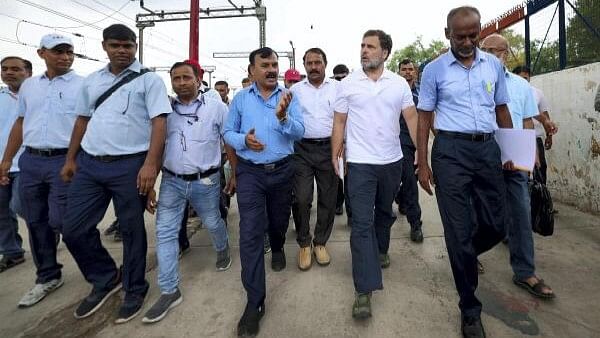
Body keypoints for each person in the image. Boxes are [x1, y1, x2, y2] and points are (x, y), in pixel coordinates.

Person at [60, 24, 171, 324]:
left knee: (132, 232)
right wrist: (71, 158)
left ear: (135, 47)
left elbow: (159, 123)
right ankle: (106, 277)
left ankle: (135, 288)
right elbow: (82, 120)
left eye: (128, 46)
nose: (122, 51)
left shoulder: (149, 80)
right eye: (115, 45)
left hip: (130, 165)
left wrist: (150, 165)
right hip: (90, 164)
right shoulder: (92, 81)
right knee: (73, 229)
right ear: (104, 47)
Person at [416, 7, 514, 338]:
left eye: (474, 35)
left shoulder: (494, 66)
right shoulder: (434, 70)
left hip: (487, 150)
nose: (469, 42)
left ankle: (464, 252)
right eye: (461, 37)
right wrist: (423, 162)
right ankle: (470, 309)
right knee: (457, 231)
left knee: (497, 224)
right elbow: (425, 116)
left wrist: (513, 151)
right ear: (448, 35)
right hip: (450, 153)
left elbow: (501, 109)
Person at [331, 30, 418, 319]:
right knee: (361, 223)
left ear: (385, 53)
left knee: (385, 212)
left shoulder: (398, 84)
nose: (364, 51)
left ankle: (381, 249)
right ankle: (363, 291)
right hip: (360, 163)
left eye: (370, 46)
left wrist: (422, 153)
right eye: (362, 46)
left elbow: (412, 117)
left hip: (392, 162)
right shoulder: (348, 84)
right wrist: (336, 153)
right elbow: (340, 120)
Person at [142, 61, 236, 323]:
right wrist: (151, 184)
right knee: (165, 233)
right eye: (176, 78)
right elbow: (157, 147)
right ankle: (169, 290)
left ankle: (223, 249)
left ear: (198, 79)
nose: (181, 82)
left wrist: (235, 173)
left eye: (186, 77)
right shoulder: (164, 111)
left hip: (205, 181)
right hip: (171, 181)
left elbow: (228, 141)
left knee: (213, 222)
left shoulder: (217, 108)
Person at [224, 47, 304, 337]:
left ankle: (279, 245)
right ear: (251, 71)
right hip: (251, 174)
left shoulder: (289, 97)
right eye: (265, 65)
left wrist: (283, 118)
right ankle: (254, 302)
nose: (272, 69)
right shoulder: (241, 99)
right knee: (250, 234)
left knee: (279, 220)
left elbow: (300, 132)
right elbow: (227, 133)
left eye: (275, 64)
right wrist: (243, 140)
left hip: (283, 171)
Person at [0, 34, 84, 307]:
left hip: (65, 160)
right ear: (41, 53)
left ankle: (98, 269)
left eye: (69, 52)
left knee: (63, 221)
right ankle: (47, 275)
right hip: (31, 161)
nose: (65, 57)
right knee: (35, 222)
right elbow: (21, 124)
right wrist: (7, 159)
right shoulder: (30, 87)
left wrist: (74, 159)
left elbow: (86, 125)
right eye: (58, 51)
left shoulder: (83, 86)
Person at [480, 34, 555, 299]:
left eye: (494, 50)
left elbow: (525, 123)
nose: (488, 54)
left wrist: (528, 156)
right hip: (481, 156)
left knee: (521, 213)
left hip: (514, 159)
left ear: (506, 54)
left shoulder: (521, 87)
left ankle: (525, 271)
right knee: (480, 212)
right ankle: (469, 254)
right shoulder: (472, 80)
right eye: (484, 49)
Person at [290, 47, 338, 271]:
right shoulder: (295, 90)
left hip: (329, 149)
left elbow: (343, 118)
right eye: (309, 63)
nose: (314, 67)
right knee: (301, 198)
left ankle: (320, 243)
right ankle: (304, 243)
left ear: (325, 64)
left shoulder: (338, 88)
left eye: (317, 62)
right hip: (302, 150)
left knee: (328, 199)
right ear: (304, 66)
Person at [0, 56, 32, 272]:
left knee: (20, 205)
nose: (9, 72)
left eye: (15, 69)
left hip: (27, 162)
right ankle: (12, 252)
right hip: (2, 162)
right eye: (5, 69)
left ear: (27, 72)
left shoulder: (36, 95)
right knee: (2, 211)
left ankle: (48, 228)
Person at [512, 65, 558, 184]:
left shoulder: (537, 93)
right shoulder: (509, 92)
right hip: (517, 139)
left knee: (540, 169)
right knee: (521, 171)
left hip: (536, 138)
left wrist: (549, 135)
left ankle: (541, 197)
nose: (523, 81)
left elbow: (545, 116)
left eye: (526, 78)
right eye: (521, 78)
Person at [395, 58, 424, 243]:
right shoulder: (392, 91)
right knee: (393, 184)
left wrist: (421, 149)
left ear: (415, 72)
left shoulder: (422, 94)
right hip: (390, 142)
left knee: (411, 185)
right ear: (399, 72)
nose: (407, 72)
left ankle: (415, 225)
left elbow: (426, 121)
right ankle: (399, 197)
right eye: (403, 69)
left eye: (410, 69)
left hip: (410, 144)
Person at [331, 64, 351, 219]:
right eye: (338, 78)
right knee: (337, 174)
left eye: (344, 77)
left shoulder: (356, 90)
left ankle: (352, 212)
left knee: (351, 177)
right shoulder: (332, 93)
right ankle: (338, 202)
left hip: (354, 141)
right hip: (338, 139)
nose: (341, 81)